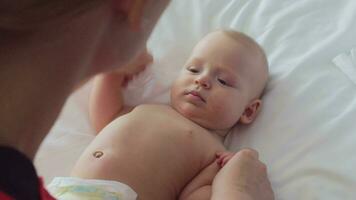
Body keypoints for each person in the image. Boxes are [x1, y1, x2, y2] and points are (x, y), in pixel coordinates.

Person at [0, 0, 274, 199]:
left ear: (249, 110)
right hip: (68, 191)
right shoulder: (147, 110)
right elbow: (107, 119)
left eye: (223, 81)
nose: (202, 80)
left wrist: (230, 184)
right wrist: (111, 76)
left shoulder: (214, 154)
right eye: (193, 69)